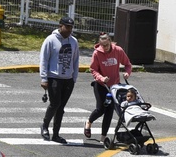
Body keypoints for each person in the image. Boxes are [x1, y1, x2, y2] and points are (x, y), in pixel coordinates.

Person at [39, 16, 79, 144]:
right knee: (55, 104)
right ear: (60, 26)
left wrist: (74, 77)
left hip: (68, 79)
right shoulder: (50, 40)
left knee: (61, 107)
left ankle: (56, 134)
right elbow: (44, 60)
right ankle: (45, 126)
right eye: (67, 27)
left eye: (71, 27)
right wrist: (44, 78)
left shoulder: (74, 41)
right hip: (54, 77)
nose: (69, 30)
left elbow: (76, 60)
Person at [85, 32, 132, 140]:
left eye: (107, 45)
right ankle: (89, 121)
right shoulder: (97, 53)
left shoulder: (118, 50)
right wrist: (101, 78)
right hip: (101, 85)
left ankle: (103, 136)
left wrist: (127, 73)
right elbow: (93, 69)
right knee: (101, 109)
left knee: (109, 111)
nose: (105, 48)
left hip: (114, 86)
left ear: (110, 42)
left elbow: (128, 64)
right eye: (103, 45)